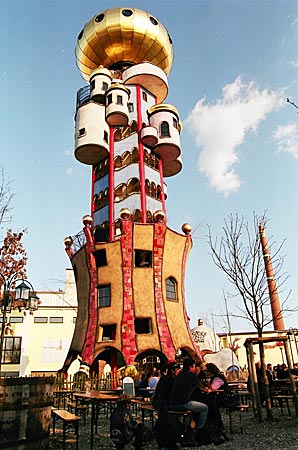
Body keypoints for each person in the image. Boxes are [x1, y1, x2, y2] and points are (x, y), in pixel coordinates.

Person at [170, 358, 208, 436]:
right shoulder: (191, 375)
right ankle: (199, 430)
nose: (195, 368)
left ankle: (188, 429)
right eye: (194, 367)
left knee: (192, 410)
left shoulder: (180, 375)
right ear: (191, 367)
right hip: (183, 404)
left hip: (172, 404)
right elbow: (203, 389)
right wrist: (206, 388)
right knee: (205, 408)